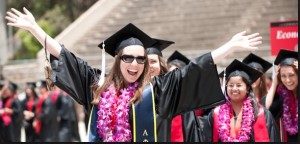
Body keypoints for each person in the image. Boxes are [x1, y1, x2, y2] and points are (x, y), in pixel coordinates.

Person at [6, 7, 262, 142]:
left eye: (141, 58)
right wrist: (36, 30)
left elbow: (193, 70)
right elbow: (66, 56)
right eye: (128, 57)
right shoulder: (97, 87)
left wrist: (229, 47)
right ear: (118, 60)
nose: (135, 63)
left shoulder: (158, 91)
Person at [203, 59, 280, 142]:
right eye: (231, 85)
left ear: (247, 88)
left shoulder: (261, 114)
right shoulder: (215, 114)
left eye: (239, 85)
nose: (234, 89)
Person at [264, 49, 298, 142]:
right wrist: (275, 82)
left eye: (291, 75)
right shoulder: (281, 95)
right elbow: (265, 108)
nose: (288, 80)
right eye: (283, 76)